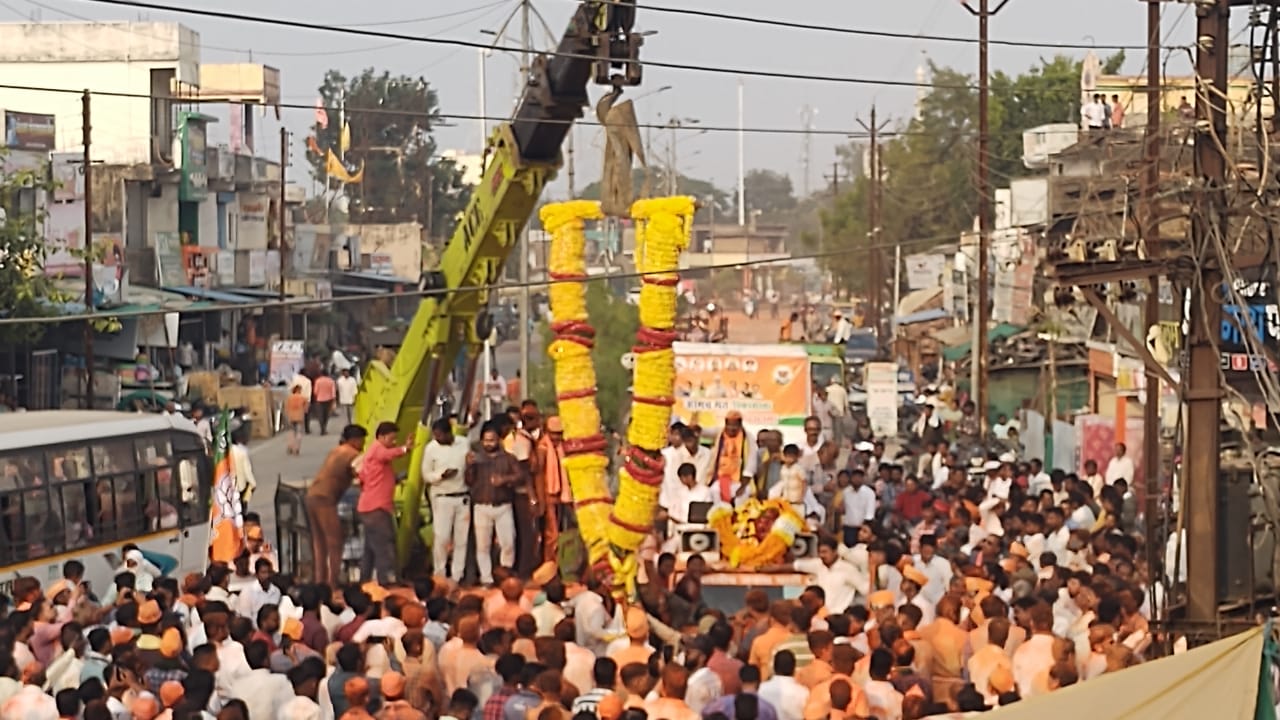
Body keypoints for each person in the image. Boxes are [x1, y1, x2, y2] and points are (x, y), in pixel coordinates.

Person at [307, 425, 368, 586]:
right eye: (362, 440)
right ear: (355, 440)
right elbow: (364, 474)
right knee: (335, 541)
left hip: (312, 495)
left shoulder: (336, 451)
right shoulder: (353, 454)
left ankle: (320, 580)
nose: (363, 444)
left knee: (319, 542)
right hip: (325, 498)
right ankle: (332, 582)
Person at [358, 422, 412, 584]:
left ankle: (365, 580)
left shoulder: (373, 457)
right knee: (385, 545)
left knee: (371, 548)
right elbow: (386, 455)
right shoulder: (377, 450)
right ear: (381, 437)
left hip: (370, 507)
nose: (393, 442)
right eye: (391, 439)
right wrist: (405, 449)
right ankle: (387, 580)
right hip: (377, 508)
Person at [467, 422, 521, 586]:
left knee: (508, 542)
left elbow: (520, 476)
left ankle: (505, 574)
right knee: (483, 546)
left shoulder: (508, 458)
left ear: (499, 440)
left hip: (503, 506)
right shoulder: (477, 459)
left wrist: (504, 480)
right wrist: (469, 466)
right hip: (482, 506)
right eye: (486, 440)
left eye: (492, 440)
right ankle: (486, 578)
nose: (489, 444)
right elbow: (468, 481)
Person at [422, 418, 472, 583]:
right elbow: (426, 474)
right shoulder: (431, 448)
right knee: (442, 538)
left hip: (462, 496)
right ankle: (440, 574)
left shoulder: (464, 443)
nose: (437, 438)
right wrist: (441, 475)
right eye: (435, 435)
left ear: (449, 433)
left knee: (461, 539)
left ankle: (457, 576)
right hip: (442, 497)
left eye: (440, 435)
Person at [709, 411, 758, 505]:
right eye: (729, 425)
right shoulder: (720, 433)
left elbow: (751, 462)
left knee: (742, 497)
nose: (732, 428)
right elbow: (704, 432)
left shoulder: (748, 437)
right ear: (726, 424)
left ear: (740, 425)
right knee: (714, 490)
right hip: (722, 478)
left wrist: (743, 486)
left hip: (740, 480)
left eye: (735, 425)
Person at [230, 429, 257, 508]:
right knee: (242, 506)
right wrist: (253, 483)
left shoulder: (223, 454)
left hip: (228, 487)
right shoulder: (242, 451)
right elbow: (247, 471)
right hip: (241, 486)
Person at [285, 386, 309, 456]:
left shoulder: (289, 398)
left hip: (291, 416)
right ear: (299, 390)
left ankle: (290, 446)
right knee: (299, 432)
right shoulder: (303, 398)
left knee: (291, 432)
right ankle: (297, 448)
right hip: (299, 416)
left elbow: (286, 408)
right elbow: (306, 409)